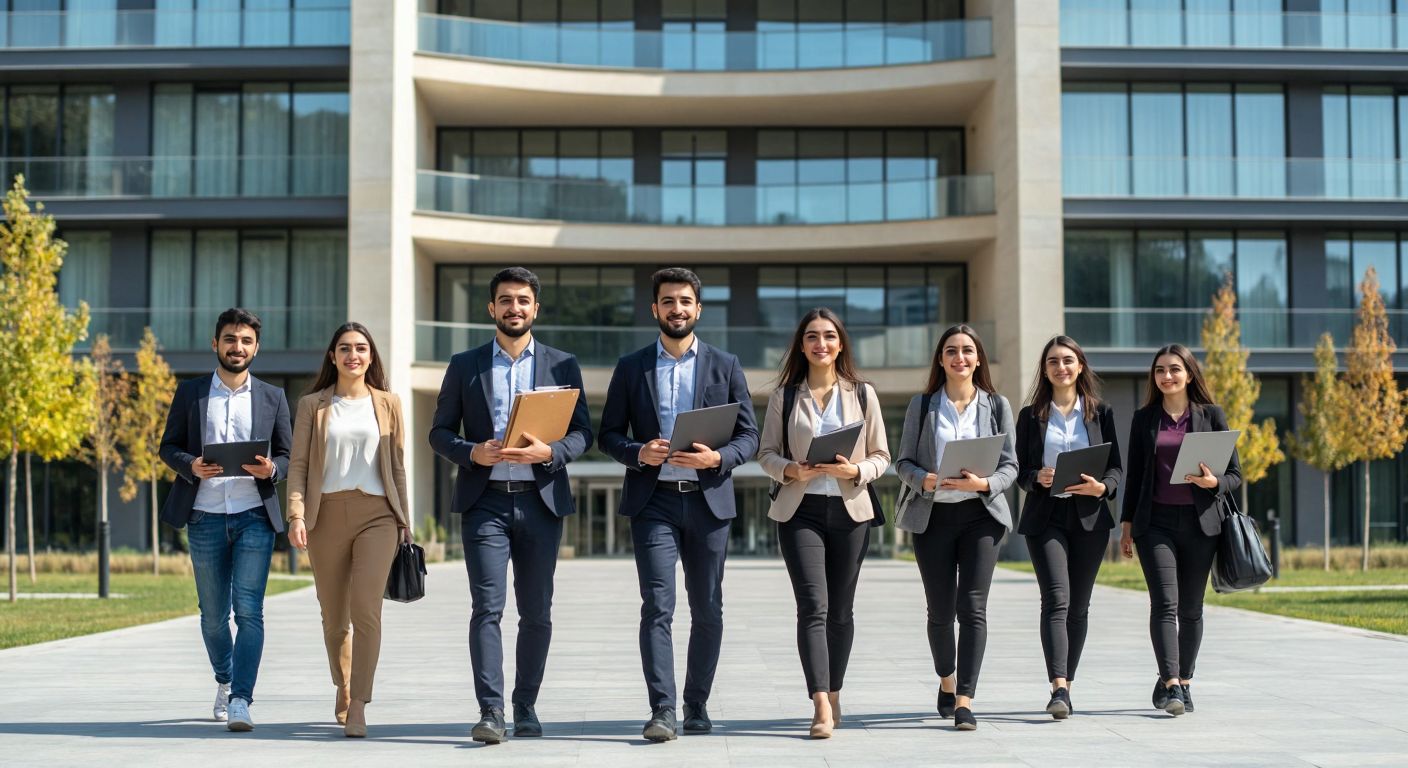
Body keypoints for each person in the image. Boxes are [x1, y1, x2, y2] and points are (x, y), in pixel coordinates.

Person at [429, 267, 592, 744]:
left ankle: (526, 706)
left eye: (523, 300)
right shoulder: (465, 365)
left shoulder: (564, 365)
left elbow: (583, 432)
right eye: (505, 300)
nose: (514, 307)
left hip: (541, 502)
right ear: (492, 308)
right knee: (487, 608)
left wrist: (552, 452)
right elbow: (438, 432)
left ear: (535, 308)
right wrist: (470, 452)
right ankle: (491, 710)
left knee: (537, 612)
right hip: (486, 503)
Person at [599, 267, 759, 743]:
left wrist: (719, 457)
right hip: (654, 503)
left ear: (698, 309)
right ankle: (663, 709)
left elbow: (749, 436)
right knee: (658, 606)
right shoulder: (631, 368)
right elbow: (607, 434)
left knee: (708, 608)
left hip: (709, 504)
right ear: (655, 309)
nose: (677, 309)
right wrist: (636, 452)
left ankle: (697, 703)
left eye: (685, 301)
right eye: (668, 301)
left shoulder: (725, 365)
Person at [756, 308, 890, 739]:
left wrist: (856, 472)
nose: (821, 344)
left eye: (829, 336)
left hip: (851, 510)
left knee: (841, 610)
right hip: (801, 511)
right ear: (801, 346)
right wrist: (793, 470)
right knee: (813, 606)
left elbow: (881, 456)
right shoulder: (785, 396)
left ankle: (835, 690)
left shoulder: (864, 394)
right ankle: (819, 703)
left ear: (840, 344)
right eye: (812, 337)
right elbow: (766, 454)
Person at [158, 308, 292, 732]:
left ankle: (241, 698)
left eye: (247, 340)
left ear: (257, 347)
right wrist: (190, 465)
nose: (239, 347)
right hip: (206, 515)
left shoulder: (273, 397)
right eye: (231, 339)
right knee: (213, 616)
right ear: (216, 344)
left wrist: (272, 470)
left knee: (249, 610)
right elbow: (168, 446)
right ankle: (224, 677)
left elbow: (288, 455)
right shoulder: (191, 393)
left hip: (254, 513)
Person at [286, 322, 411, 738]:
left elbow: (397, 467)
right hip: (326, 515)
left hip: (377, 515)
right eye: (344, 348)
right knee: (335, 619)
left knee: (365, 610)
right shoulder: (312, 405)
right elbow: (300, 466)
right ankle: (342, 685)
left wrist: (404, 522)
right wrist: (297, 515)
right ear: (332, 356)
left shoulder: (389, 403)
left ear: (371, 356)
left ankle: (359, 703)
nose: (353, 355)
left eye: (361, 348)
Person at [894, 323, 1016, 732]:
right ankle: (946, 680)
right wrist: (924, 479)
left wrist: (985, 483)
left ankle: (965, 699)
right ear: (941, 359)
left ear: (978, 358)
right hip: (934, 518)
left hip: (982, 516)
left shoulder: (997, 405)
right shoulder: (923, 405)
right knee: (940, 611)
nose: (959, 357)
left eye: (967, 350)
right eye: (951, 351)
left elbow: (1011, 465)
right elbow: (902, 462)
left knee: (973, 608)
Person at [1120, 343, 1241, 717]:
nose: (1167, 376)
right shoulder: (1144, 419)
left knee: (1191, 609)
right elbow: (1135, 476)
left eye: (1174, 369)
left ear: (1189, 373)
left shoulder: (1211, 415)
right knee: (1164, 604)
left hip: (1201, 525)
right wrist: (1126, 528)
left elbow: (1235, 476)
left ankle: (1183, 680)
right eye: (1160, 370)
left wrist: (1212, 483)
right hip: (1154, 525)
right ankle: (1171, 683)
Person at [1014, 335, 1122, 719]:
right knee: (1056, 600)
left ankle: (1068, 686)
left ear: (1080, 366)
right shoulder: (1030, 416)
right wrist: (1036, 478)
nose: (1061, 367)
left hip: (1089, 518)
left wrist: (1102, 487)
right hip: (1046, 518)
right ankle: (1058, 687)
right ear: (1045, 370)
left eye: (1068, 360)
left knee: (1079, 607)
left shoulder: (1100, 412)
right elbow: (1019, 471)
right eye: (1053, 362)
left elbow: (1115, 469)